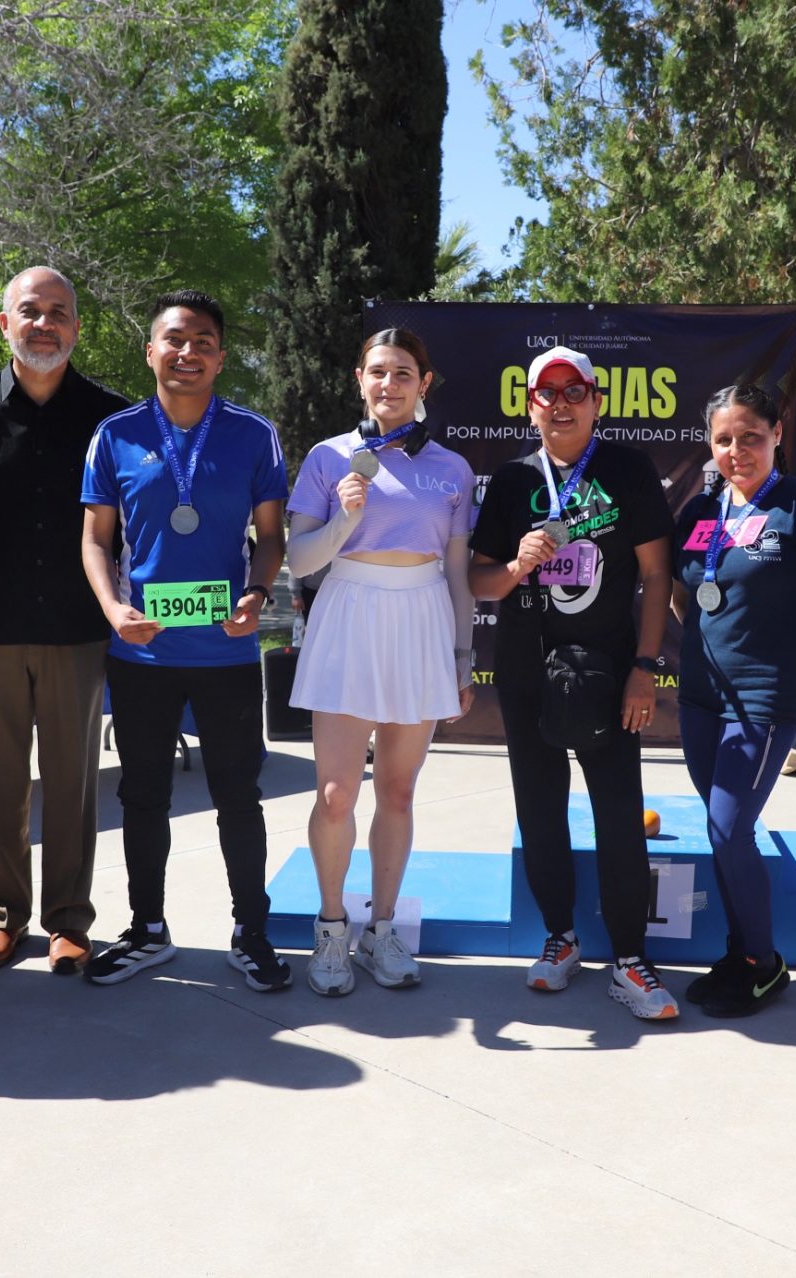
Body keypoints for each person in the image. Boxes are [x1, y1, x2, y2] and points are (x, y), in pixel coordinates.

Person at [78, 291, 291, 990]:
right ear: (151, 352)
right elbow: (96, 539)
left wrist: (255, 596)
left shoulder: (254, 434)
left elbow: (271, 536)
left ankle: (251, 931)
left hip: (228, 653)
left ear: (221, 356)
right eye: (174, 339)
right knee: (142, 797)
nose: (187, 352)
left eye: (203, 341)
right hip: (142, 653)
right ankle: (147, 929)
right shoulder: (115, 435)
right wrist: (114, 609)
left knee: (238, 796)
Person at [469, 346, 681, 1019]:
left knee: (619, 815)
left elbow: (657, 575)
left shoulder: (627, 469)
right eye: (546, 392)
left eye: (574, 390)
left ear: (596, 401)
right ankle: (559, 938)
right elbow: (479, 580)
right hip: (527, 669)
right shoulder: (512, 480)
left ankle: (630, 959)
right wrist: (516, 566)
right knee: (540, 809)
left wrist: (645, 668)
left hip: (608, 671)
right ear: (529, 405)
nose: (560, 403)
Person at [0, 266, 129, 975]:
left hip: (78, 628)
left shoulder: (111, 418)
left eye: (58, 312)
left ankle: (69, 919)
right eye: (31, 311)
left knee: (73, 784)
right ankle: (1, 917)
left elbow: (128, 528)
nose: (45, 324)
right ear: (5, 324)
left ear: (77, 326)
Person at [287, 327, 475, 996]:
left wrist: (463, 657)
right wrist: (342, 520)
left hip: (421, 618)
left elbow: (457, 572)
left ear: (424, 384)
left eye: (402, 373)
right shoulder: (328, 457)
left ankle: (382, 929)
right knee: (336, 795)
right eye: (377, 371)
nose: (389, 384)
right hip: (348, 614)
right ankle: (331, 929)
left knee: (397, 791)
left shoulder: (452, 469)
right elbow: (299, 561)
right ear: (359, 380)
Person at [668, 383, 796, 1016]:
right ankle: (737, 953)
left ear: (777, 434)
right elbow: (682, 593)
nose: (737, 450)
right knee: (721, 832)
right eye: (723, 439)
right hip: (701, 696)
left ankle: (763, 963)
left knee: (730, 828)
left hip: (762, 699)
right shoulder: (702, 510)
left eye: (751, 436)